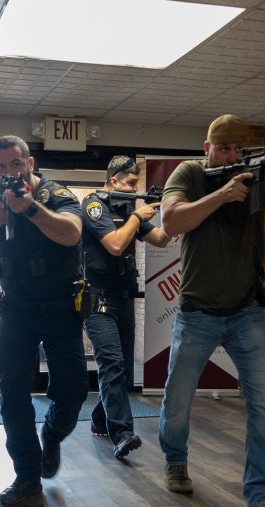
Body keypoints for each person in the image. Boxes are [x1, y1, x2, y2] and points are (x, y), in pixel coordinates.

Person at [158, 114, 265, 507]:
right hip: (197, 312)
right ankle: (175, 461)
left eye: (238, 149)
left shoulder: (250, 174)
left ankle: (260, 501)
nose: (232, 156)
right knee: (179, 399)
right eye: (223, 149)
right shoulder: (189, 173)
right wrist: (222, 194)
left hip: (245, 311)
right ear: (207, 148)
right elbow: (172, 222)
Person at [0, 135, 88, 507]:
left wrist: (29, 210)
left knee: (73, 392)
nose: (7, 172)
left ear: (30, 163)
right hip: (17, 310)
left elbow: (72, 233)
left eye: (14, 164)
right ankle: (26, 475)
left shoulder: (56, 194)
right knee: (13, 396)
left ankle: (53, 435)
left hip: (60, 308)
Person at [81, 156, 170, 459]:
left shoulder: (127, 209)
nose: (136, 189)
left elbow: (159, 238)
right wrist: (136, 217)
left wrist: (168, 211)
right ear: (114, 180)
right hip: (97, 299)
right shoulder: (94, 206)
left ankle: (99, 420)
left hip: (123, 297)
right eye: (132, 183)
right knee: (112, 365)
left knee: (122, 370)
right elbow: (115, 245)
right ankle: (123, 434)